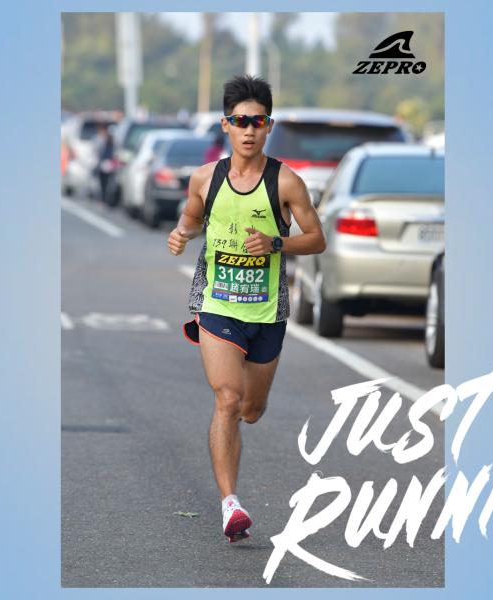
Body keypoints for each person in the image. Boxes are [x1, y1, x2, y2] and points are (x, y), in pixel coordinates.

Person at [167, 75, 326, 543]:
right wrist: (182, 234)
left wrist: (276, 243)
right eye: (240, 121)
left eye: (257, 121)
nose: (249, 130)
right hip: (216, 303)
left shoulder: (286, 182)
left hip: (267, 312)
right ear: (226, 125)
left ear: (269, 125)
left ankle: (237, 434)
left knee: (251, 410)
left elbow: (317, 239)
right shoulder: (205, 178)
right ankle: (230, 504)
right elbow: (191, 218)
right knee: (228, 399)